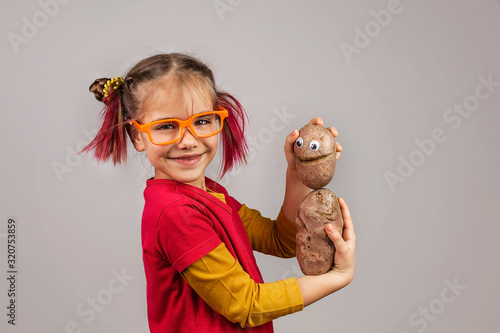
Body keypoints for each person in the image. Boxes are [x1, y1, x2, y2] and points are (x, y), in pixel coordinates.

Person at [81, 53, 356, 333]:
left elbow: (279, 241)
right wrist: (338, 277)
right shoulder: (176, 213)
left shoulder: (209, 194)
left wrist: (296, 174)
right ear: (137, 136)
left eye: (201, 121)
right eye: (166, 127)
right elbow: (246, 305)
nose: (188, 141)